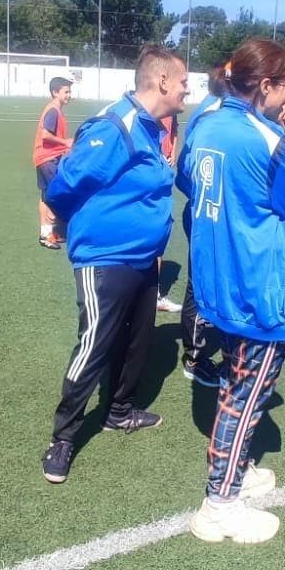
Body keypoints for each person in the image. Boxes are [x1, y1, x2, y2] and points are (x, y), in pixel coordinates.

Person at [177, 39, 285, 543]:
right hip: (257, 283)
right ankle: (219, 503)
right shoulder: (264, 137)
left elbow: (185, 179)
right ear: (264, 85)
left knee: (235, 382)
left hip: (218, 278)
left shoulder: (204, 121)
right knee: (246, 394)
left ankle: (235, 472)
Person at [40, 46, 189, 483]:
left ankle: (119, 412)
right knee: (95, 344)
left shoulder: (149, 127)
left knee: (137, 342)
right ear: (162, 82)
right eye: (183, 82)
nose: (187, 90)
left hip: (143, 260)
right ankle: (64, 437)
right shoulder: (116, 125)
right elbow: (65, 183)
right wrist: (79, 229)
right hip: (105, 260)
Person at [179, 66, 230, 386]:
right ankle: (194, 358)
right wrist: (208, 200)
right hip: (206, 213)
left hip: (211, 211)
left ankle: (212, 346)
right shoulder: (214, 113)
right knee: (200, 284)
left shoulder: (218, 107)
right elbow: (186, 171)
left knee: (212, 280)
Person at [33, 76, 73, 248]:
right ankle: (53, 232)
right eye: (66, 91)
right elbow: (45, 135)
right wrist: (66, 143)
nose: (69, 95)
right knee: (57, 195)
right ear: (55, 92)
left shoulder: (55, 110)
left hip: (43, 158)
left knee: (45, 196)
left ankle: (46, 233)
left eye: (70, 91)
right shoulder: (53, 111)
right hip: (48, 159)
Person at [155, 113, 183, 314]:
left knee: (159, 235)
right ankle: (153, 296)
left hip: (163, 168)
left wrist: (173, 151)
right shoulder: (150, 109)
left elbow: (174, 131)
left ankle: (152, 293)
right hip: (153, 169)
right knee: (154, 236)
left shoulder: (171, 111)